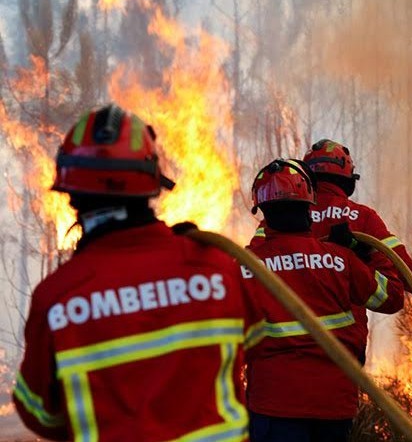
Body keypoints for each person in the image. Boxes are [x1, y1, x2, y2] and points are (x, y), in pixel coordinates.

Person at [13, 104, 254, 441]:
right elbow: (246, 356)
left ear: (71, 195)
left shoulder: (57, 298)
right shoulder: (217, 268)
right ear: (153, 183)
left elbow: (40, 414)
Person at [243, 158, 404, 442]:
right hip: (333, 406)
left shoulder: (246, 268)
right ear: (309, 206)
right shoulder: (341, 260)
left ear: (264, 214)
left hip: (274, 404)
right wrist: (366, 254)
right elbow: (391, 298)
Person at [250, 140, 412, 357]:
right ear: (347, 178)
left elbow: (253, 261)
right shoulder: (360, 216)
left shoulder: (274, 221)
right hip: (342, 349)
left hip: (278, 343)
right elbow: (396, 259)